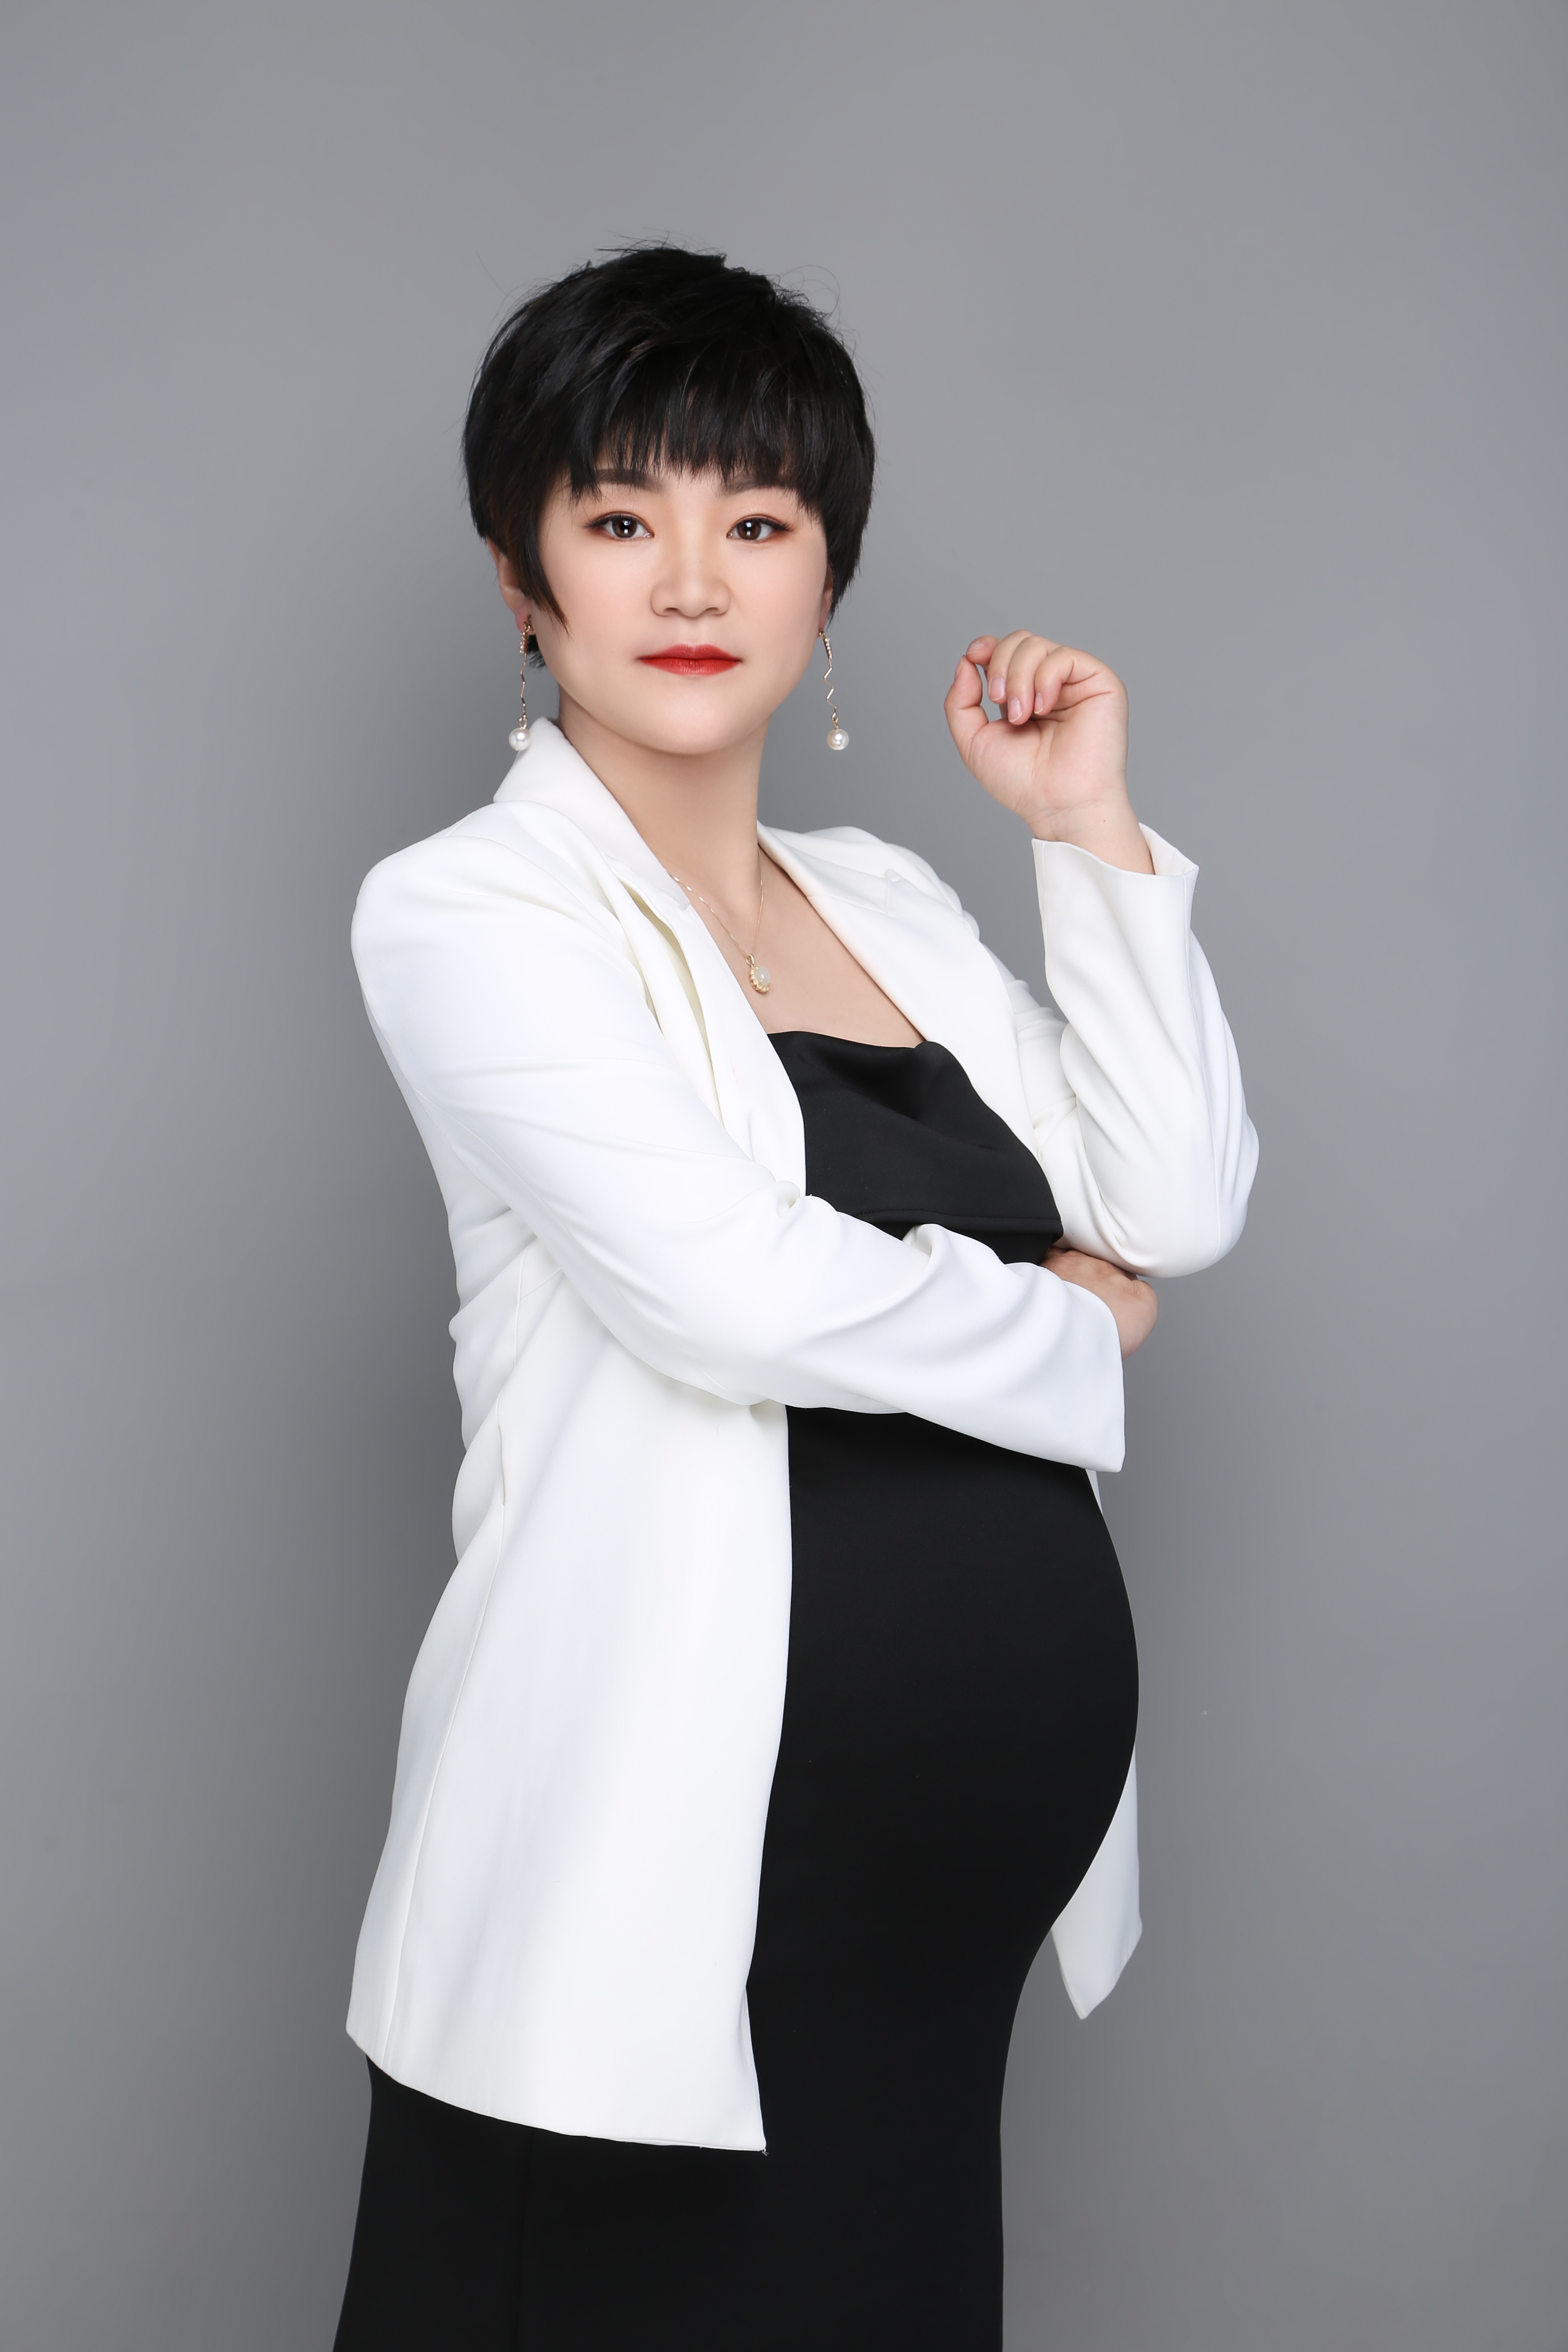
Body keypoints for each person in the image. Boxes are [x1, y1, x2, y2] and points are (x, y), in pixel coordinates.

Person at [332, 243, 1257, 2350]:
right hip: (666, 1879)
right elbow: (730, 1294)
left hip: (931, 1917)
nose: (691, 581)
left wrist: (1089, 832)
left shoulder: (895, 903)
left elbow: (1175, 1201)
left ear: (827, 579)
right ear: (523, 578)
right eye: (619, 519)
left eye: (755, 523)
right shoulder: (470, 911)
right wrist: (1070, 1327)